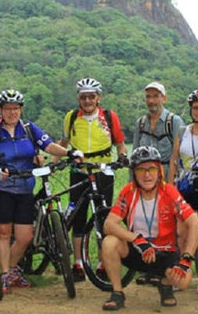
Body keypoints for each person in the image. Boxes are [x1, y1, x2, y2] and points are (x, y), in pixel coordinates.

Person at [0, 89, 79, 294]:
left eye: (15, 109)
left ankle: (12, 269)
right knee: (4, 234)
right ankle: (5, 274)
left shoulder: (29, 128)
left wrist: (70, 152)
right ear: (1, 110)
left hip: (25, 189)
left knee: (25, 236)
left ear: (21, 110)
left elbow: (49, 145)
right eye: (7, 109)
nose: (12, 113)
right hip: (1, 190)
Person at [100, 146, 198, 310]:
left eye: (151, 169)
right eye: (140, 169)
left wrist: (186, 259)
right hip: (138, 250)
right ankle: (117, 292)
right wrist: (137, 239)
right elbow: (109, 224)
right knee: (109, 242)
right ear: (134, 173)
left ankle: (165, 284)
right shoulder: (129, 191)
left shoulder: (169, 191)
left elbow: (196, 224)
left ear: (159, 170)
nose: (146, 175)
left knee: (183, 280)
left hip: (165, 252)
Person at [57, 78, 127, 282]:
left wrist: (122, 156)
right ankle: (77, 263)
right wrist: (53, 161)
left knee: (103, 219)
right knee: (78, 216)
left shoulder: (109, 116)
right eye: (83, 97)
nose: (87, 100)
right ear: (79, 99)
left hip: (102, 171)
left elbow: (120, 143)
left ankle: (103, 263)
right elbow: (64, 141)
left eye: (91, 96)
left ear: (98, 98)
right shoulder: (71, 117)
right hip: (78, 171)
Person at [169, 89, 198, 218]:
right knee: (181, 227)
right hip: (184, 183)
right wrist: (170, 188)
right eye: (195, 108)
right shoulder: (182, 131)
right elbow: (174, 160)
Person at [132, 82, 185, 177]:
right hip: (145, 179)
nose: (151, 101)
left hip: (167, 178)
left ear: (164, 99)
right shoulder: (140, 123)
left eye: (156, 96)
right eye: (148, 97)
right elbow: (134, 157)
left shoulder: (175, 122)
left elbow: (180, 157)